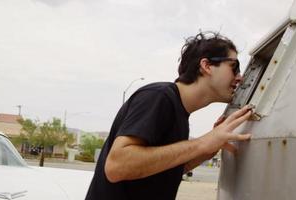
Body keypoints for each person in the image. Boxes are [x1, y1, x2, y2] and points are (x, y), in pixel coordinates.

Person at [85, 32, 253, 200]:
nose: (240, 77)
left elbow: (165, 168)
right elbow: (116, 166)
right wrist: (203, 142)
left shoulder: (180, 113)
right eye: (234, 67)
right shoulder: (158, 96)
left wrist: (210, 148)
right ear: (207, 66)